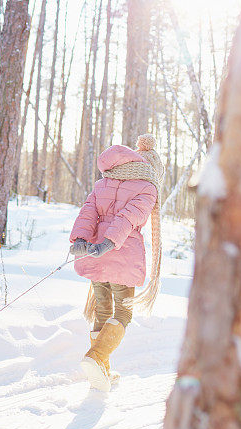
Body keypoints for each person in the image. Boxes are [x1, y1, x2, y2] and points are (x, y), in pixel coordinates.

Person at [69, 134, 164, 391]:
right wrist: (110, 242)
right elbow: (129, 217)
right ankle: (96, 357)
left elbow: (88, 211)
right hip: (122, 253)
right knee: (123, 312)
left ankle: (102, 370)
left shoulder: (105, 182)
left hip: (96, 254)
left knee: (102, 309)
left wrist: (80, 238)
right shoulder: (148, 187)